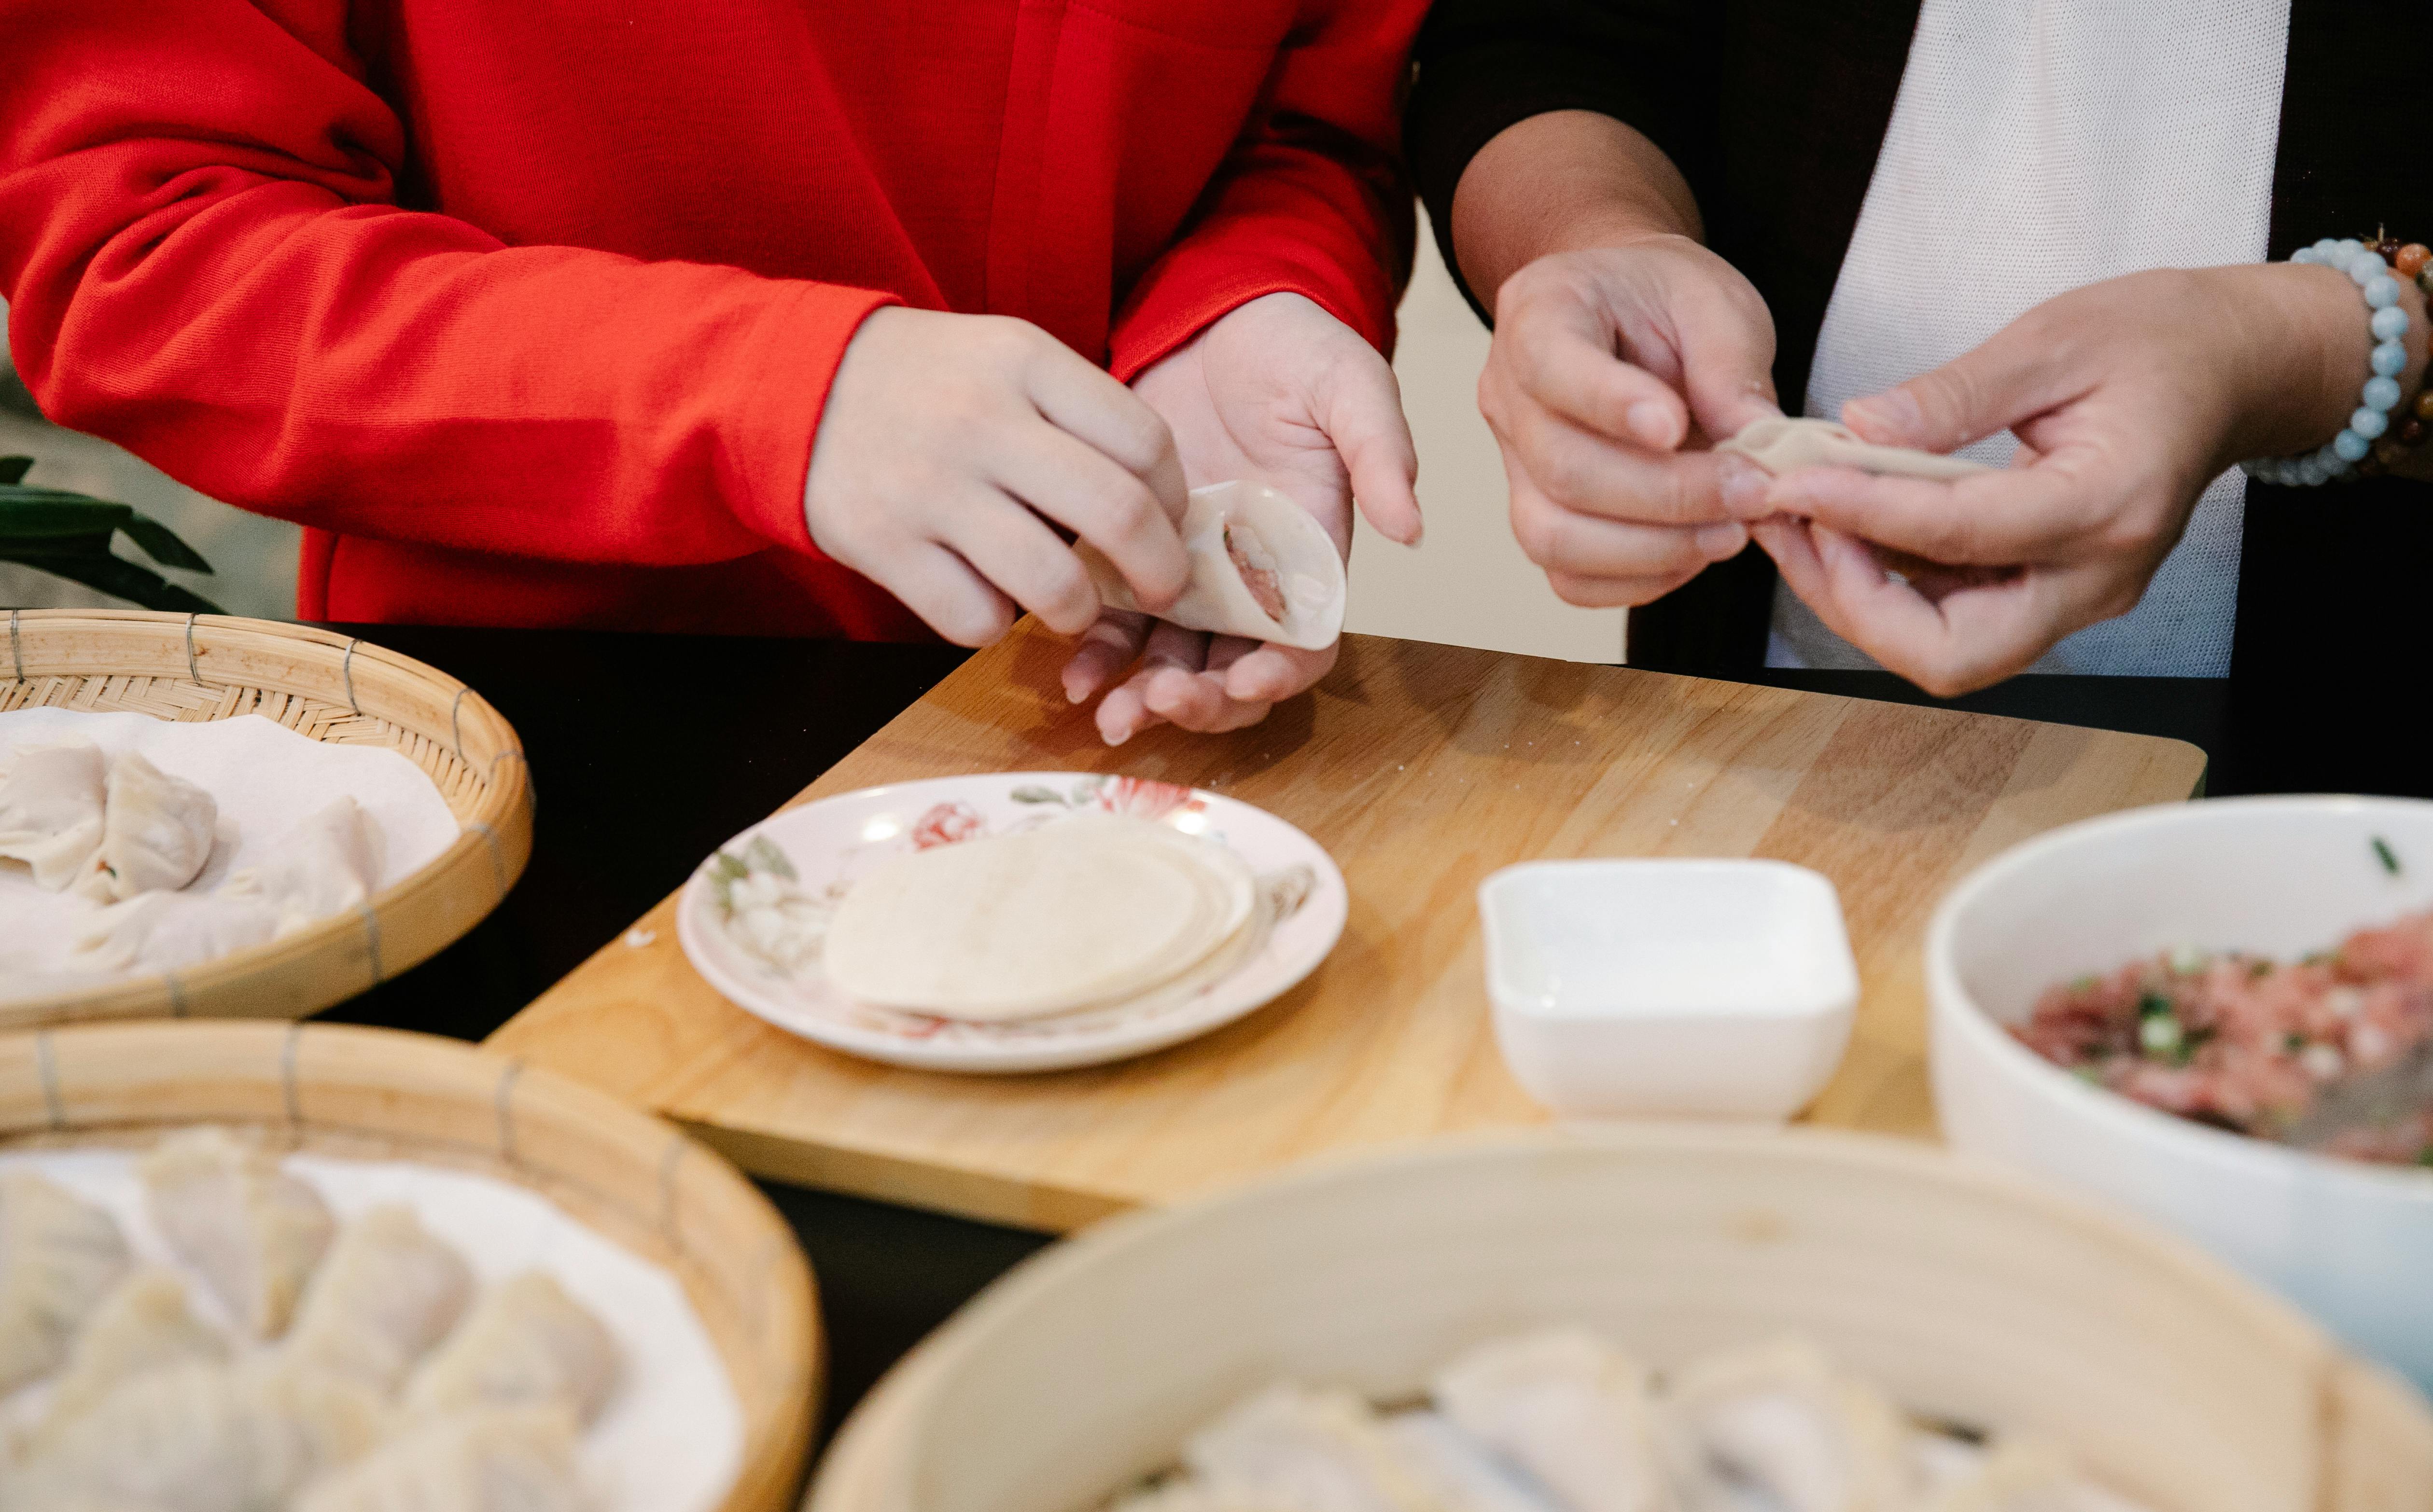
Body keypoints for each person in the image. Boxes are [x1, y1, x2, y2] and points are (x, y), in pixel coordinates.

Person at [0, 0, 1426, 746]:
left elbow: (1304, 113)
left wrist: (1240, 306)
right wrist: (769, 396)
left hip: (1113, 731)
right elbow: (145, 238)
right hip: (554, 743)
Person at [1408, 2, 2433, 794]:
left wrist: (2303, 353)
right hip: (1770, 736)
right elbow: (1546, 43)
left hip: (2358, 777)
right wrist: (1597, 243)